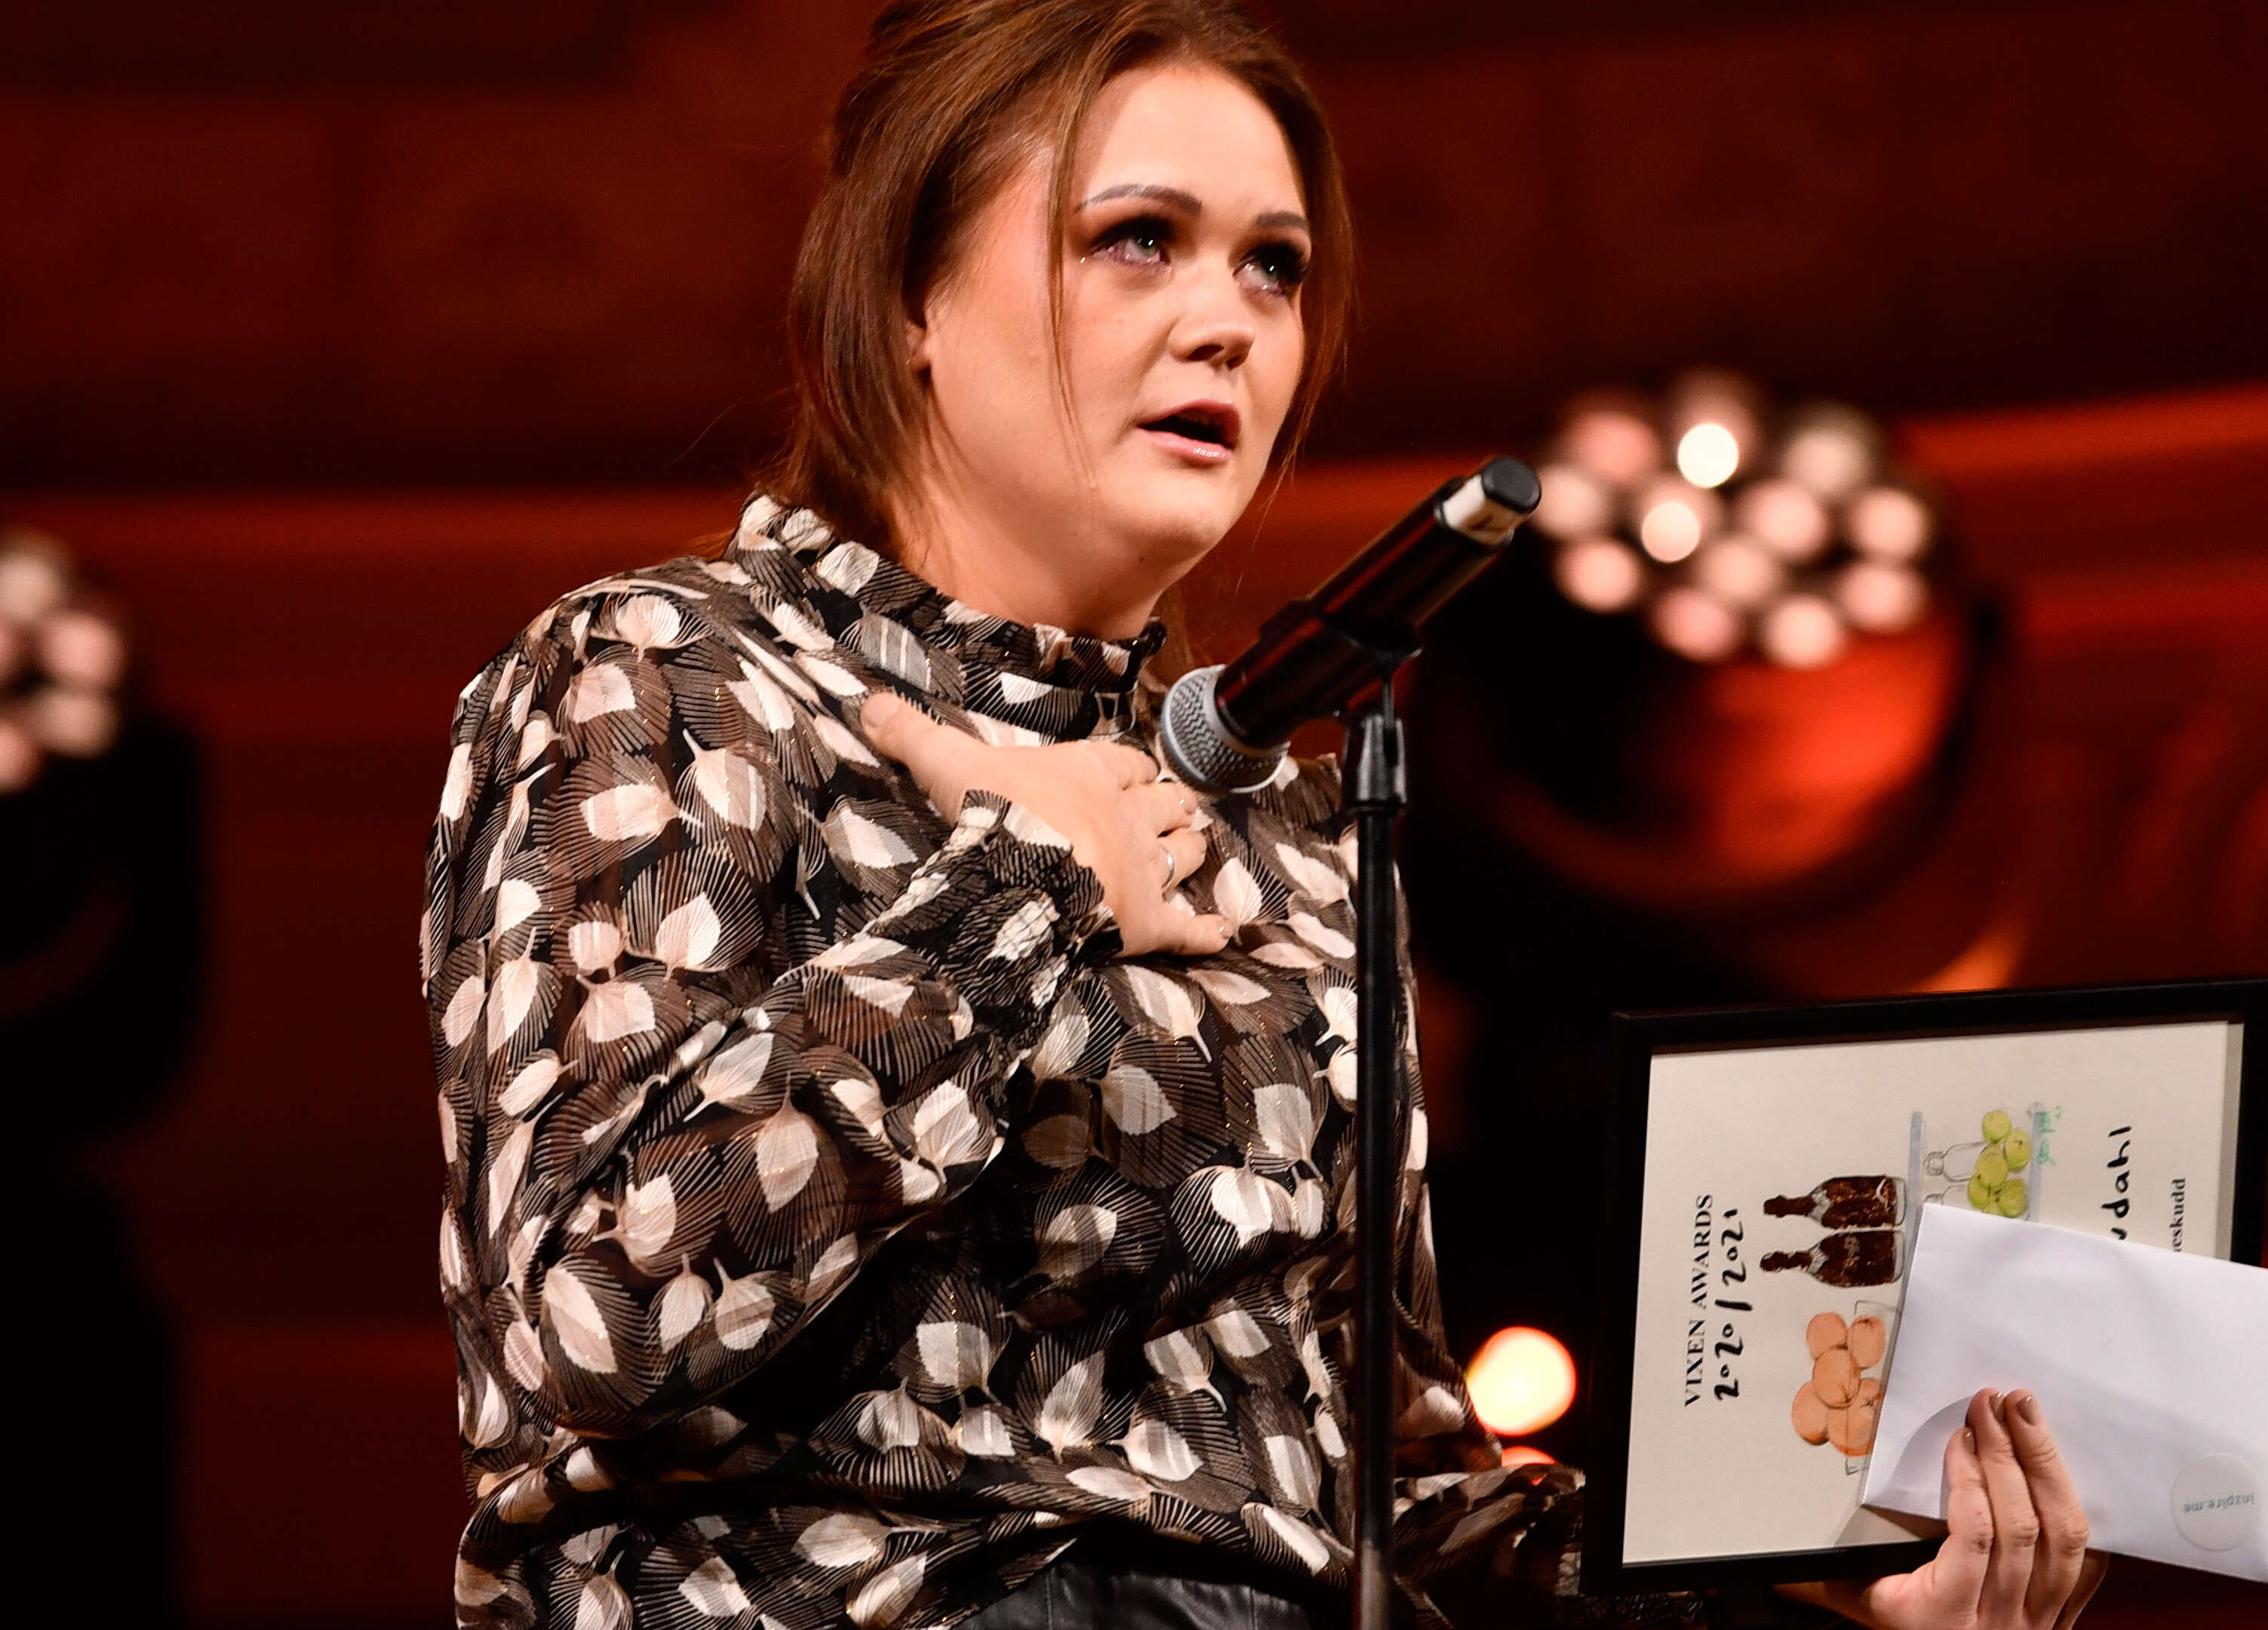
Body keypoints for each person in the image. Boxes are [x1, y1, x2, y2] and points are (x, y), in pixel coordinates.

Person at [424, 3, 2105, 1625]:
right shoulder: (672, 671)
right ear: (908, 297)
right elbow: (592, 1306)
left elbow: (1393, 1503)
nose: (1230, 320)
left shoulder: (1293, 851)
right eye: (1139, 238)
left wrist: (1805, 1571)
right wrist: (1030, 882)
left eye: (1274, 266)